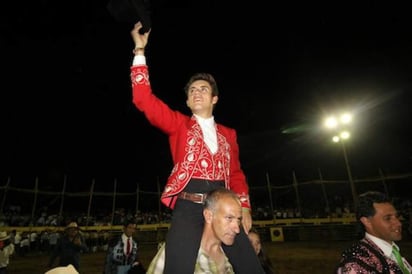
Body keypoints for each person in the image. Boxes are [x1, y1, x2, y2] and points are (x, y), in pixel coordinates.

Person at [129, 21, 264, 274]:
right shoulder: (179, 124)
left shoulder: (229, 134)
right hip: (188, 206)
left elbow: (235, 173)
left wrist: (244, 207)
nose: (197, 92)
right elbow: (143, 99)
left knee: (250, 266)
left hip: (224, 205)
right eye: (192, 90)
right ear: (188, 101)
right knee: (177, 267)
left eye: (203, 89)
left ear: (214, 99)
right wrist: (139, 51)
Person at [147, 188, 243, 273]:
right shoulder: (177, 249)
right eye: (229, 218)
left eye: (238, 220)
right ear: (209, 216)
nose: (237, 229)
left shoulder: (232, 258)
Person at [335, 191, 412, 274]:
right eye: (388, 218)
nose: (398, 223)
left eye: (396, 216)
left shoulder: (391, 251)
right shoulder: (358, 263)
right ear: (367, 221)